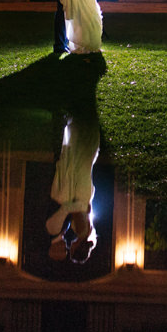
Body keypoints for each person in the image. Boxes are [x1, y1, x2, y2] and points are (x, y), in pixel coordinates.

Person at [45, 112, 99, 264]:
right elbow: (75, 209)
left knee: (80, 160)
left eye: (64, 250)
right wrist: (79, 205)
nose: (68, 247)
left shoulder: (84, 233)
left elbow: (84, 210)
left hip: (80, 194)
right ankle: (76, 124)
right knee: (77, 160)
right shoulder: (80, 231)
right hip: (77, 193)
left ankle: (79, 125)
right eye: (70, 250)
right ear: (76, 248)